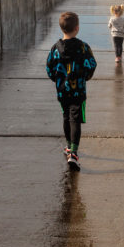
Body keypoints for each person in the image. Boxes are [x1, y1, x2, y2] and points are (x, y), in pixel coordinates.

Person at [45, 11, 97, 171]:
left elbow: (49, 67)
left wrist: (57, 79)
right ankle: (73, 153)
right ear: (77, 28)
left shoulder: (55, 48)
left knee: (66, 117)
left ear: (62, 28)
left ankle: (69, 146)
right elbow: (91, 64)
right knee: (76, 118)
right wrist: (85, 77)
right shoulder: (83, 47)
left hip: (62, 91)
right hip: (78, 91)